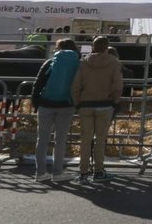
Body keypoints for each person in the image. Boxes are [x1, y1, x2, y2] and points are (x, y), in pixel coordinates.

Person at [71, 37, 124, 182]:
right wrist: (115, 101)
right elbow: (118, 86)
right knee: (100, 140)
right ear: (107, 47)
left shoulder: (84, 62)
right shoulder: (114, 62)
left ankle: (83, 172)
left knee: (85, 140)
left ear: (93, 47)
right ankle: (98, 171)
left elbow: (76, 85)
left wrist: (77, 102)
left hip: (86, 104)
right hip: (105, 104)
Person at [31, 38, 81, 182]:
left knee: (42, 139)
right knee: (60, 140)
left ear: (59, 49)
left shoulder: (50, 63)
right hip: (66, 105)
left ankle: (40, 173)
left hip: (46, 104)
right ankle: (58, 173)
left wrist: (36, 103)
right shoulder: (78, 64)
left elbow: (38, 84)